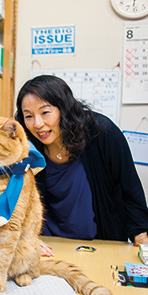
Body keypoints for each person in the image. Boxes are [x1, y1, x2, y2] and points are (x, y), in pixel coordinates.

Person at [15, 75, 148, 254]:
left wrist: (140, 236)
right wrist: (26, 237)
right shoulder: (26, 147)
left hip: (101, 244)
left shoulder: (102, 132)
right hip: (49, 245)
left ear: (64, 108)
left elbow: (130, 188)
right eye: (28, 116)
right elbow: (16, 199)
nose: (38, 124)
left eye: (45, 112)